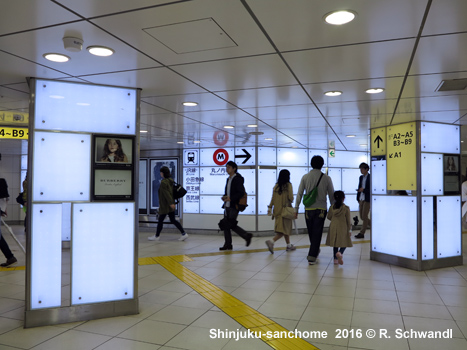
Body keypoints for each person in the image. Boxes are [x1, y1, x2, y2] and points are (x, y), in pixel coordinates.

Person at [295, 155, 334, 265]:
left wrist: (296, 208)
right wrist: (334, 208)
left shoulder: (305, 177)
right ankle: (313, 254)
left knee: (312, 232)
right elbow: (331, 194)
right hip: (321, 209)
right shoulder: (326, 178)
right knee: (317, 232)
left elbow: (299, 193)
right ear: (322, 165)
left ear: (311, 164)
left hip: (308, 209)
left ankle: (313, 252)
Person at [148, 166, 188, 241]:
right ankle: (184, 233)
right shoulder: (170, 180)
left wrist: (170, 203)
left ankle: (157, 236)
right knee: (172, 220)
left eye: (161, 172)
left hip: (165, 205)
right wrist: (172, 203)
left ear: (163, 173)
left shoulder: (164, 182)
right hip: (170, 203)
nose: (160, 173)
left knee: (161, 220)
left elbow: (167, 194)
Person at [220, 161, 252, 251]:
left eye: (229, 167)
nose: (227, 169)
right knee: (226, 224)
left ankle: (246, 236)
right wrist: (225, 197)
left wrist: (231, 198)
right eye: (226, 167)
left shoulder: (238, 179)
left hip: (234, 205)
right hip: (227, 204)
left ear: (234, 168)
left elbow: (241, 192)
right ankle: (228, 244)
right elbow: (228, 192)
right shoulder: (228, 179)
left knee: (230, 224)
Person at [265, 169, 296, 253]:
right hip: (285, 211)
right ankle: (271, 242)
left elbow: (273, 198)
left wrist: (270, 207)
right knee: (284, 230)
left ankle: (289, 245)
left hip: (277, 211)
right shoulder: (288, 185)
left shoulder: (276, 186)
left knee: (283, 229)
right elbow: (291, 198)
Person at [326, 191, 352, 265]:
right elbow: (348, 221)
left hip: (333, 227)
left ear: (334, 198)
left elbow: (329, 217)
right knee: (345, 242)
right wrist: (350, 230)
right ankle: (340, 253)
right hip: (343, 227)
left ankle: (335, 260)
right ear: (343, 198)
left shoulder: (332, 208)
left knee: (335, 243)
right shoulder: (346, 208)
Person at [0, 177, 17, 267]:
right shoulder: (2, 182)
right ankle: (10, 257)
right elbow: (6, 199)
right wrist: (4, 210)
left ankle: (10, 257)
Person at [355, 162, 370, 239]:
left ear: (366, 169)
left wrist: (363, 190)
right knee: (362, 217)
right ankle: (375, 226)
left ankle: (362, 232)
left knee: (364, 216)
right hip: (361, 198)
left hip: (367, 199)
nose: (361, 170)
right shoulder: (361, 177)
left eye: (362, 169)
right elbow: (359, 186)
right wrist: (357, 197)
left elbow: (371, 189)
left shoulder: (371, 177)